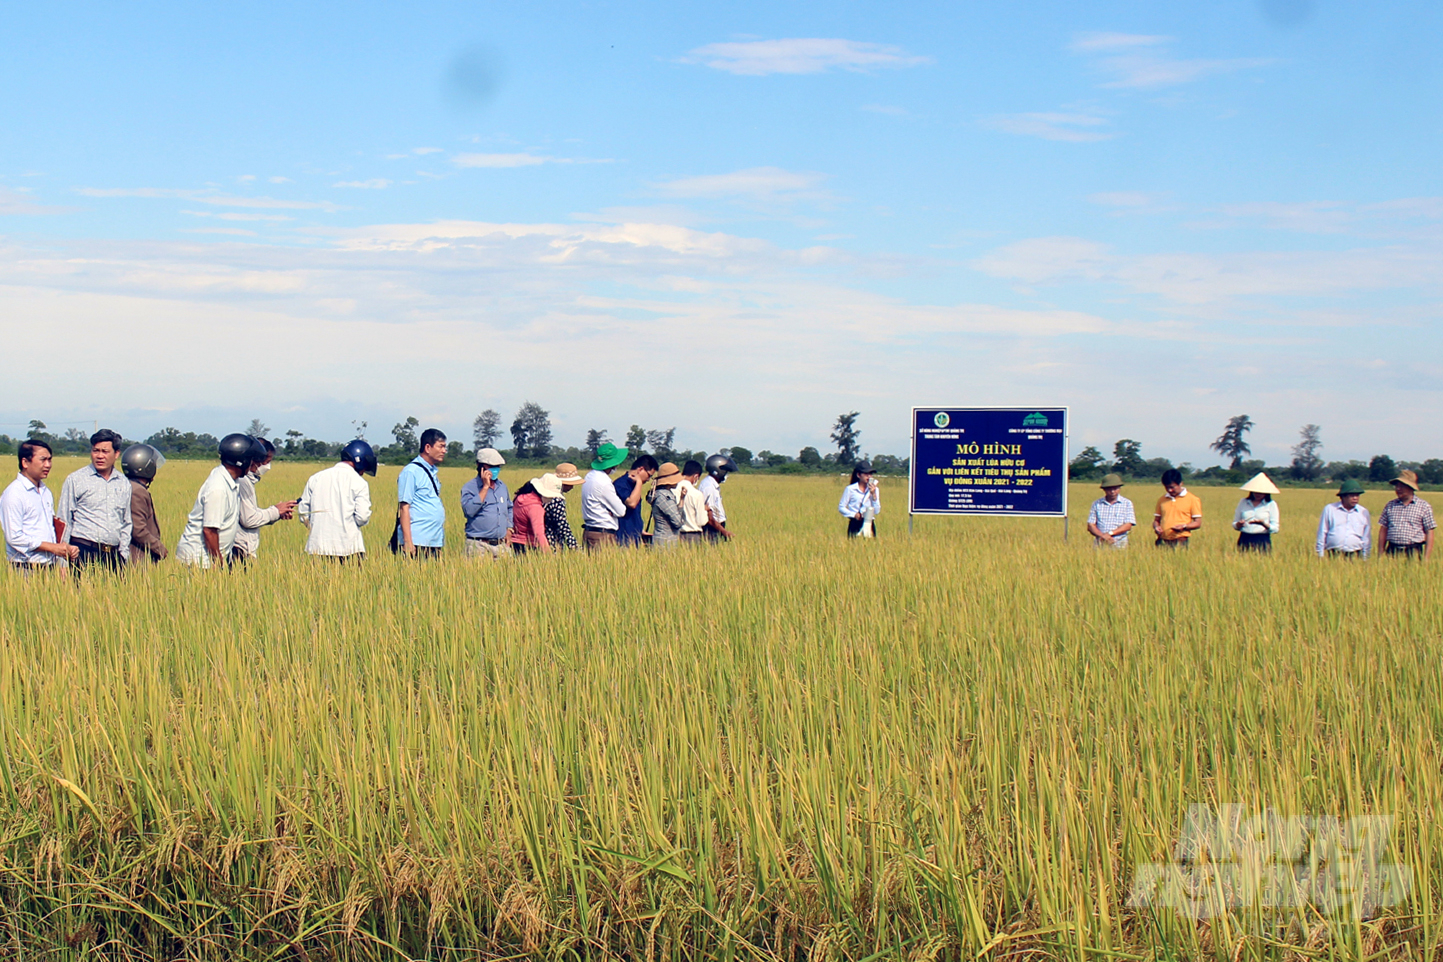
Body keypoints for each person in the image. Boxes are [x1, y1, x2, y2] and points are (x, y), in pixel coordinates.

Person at [57, 427, 132, 574]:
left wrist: (123, 556)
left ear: (116, 454)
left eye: (105, 451)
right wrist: (62, 562)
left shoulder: (123, 483)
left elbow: (126, 522)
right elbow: (64, 520)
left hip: (112, 555)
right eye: (95, 450)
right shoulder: (76, 479)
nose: (99, 456)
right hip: (82, 551)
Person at [175, 433, 253, 568]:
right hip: (199, 561)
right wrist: (219, 564)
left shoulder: (228, 481)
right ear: (242, 461)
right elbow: (209, 530)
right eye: (250, 460)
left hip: (209, 558)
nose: (253, 465)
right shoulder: (218, 489)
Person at [1, 439, 78, 571]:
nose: (48, 465)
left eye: (50, 460)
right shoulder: (14, 494)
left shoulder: (45, 492)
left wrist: (64, 548)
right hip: (25, 568)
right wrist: (51, 547)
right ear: (25, 462)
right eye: (43, 460)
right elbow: (14, 537)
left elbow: (47, 529)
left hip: (49, 566)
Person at [298, 440, 375, 562]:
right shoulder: (359, 483)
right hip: (349, 548)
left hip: (317, 548)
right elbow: (362, 517)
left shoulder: (316, 478)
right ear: (360, 460)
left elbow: (303, 513)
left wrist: (318, 526)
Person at [234, 437, 297, 562]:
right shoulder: (243, 481)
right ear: (255, 460)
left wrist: (277, 513)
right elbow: (249, 519)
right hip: (238, 549)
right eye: (266, 461)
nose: (267, 466)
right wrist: (275, 511)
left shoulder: (243, 480)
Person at [396, 428, 447, 557]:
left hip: (434, 540)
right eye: (441, 447)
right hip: (417, 541)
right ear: (428, 447)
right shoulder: (411, 472)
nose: (444, 451)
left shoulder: (432, 471)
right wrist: (408, 542)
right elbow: (404, 508)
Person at [461, 448, 512, 560]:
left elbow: (509, 508)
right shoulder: (470, 487)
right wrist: (485, 487)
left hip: (501, 545)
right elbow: (469, 511)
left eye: (497, 467)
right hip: (478, 545)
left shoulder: (502, 487)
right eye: (491, 466)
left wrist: (509, 527)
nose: (495, 470)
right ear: (480, 466)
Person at [122, 443, 168, 562]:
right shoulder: (137, 491)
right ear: (147, 468)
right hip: (136, 557)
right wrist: (159, 548)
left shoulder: (127, 486)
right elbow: (138, 529)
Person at [580, 442, 630, 550]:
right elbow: (621, 511)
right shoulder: (604, 482)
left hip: (589, 531)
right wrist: (611, 512)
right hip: (603, 535)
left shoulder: (589, 476)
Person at [1378, 469, 1435, 559]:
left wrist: (1426, 558)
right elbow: (1383, 529)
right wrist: (1380, 554)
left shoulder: (1424, 506)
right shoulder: (1390, 505)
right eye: (1397, 485)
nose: (1398, 489)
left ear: (1411, 487)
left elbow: (1429, 532)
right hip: (1392, 550)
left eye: (1402, 486)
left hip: (1413, 551)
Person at [1316, 479, 1371, 558]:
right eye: (1352, 495)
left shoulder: (1363, 512)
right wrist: (1320, 555)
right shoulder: (1330, 509)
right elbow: (1322, 532)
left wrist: (1365, 558)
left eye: (1357, 495)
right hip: (1333, 553)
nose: (1355, 498)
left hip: (1355, 554)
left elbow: (1366, 537)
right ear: (1343, 496)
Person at [511, 474, 564, 554]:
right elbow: (539, 533)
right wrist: (548, 554)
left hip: (515, 543)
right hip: (529, 547)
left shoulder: (520, 497)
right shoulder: (535, 507)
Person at [613, 454, 658, 547]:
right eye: (649, 475)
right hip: (623, 537)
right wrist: (639, 482)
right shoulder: (621, 484)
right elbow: (632, 503)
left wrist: (640, 530)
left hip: (634, 536)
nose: (648, 479)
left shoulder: (634, 485)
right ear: (641, 469)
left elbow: (634, 513)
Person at [1152, 468, 1202, 549]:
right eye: (1166, 487)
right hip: (1164, 540)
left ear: (1181, 483)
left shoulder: (1193, 499)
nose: (1169, 490)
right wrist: (1156, 527)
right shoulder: (1162, 499)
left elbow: (1198, 523)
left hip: (1181, 540)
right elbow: (1156, 520)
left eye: (1172, 487)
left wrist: (1184, 527)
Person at [1232, 472, 1281, 552]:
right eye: (1256, 492)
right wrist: (1239, 524)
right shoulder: (1243, 502)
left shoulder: (1271, 504)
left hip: (1262, 539)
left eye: (1261, 492)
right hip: (1244, 538)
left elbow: (1275, 528)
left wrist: (1264, 524)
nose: (1258, 494)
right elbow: (1235, 523)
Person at [1085, 473, 1135, 548]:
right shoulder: (1096, 504)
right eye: (1109, 489)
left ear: (1119, 488)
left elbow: (1128, 525)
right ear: (1104, 489)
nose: (1112, 492)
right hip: (1100, 543)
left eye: (1115, 488)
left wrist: (1110, 534)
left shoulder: (1127, 503)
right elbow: (1091, 525)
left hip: (1120, 543)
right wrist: (1103, 536)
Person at [699, 454, 738, 541]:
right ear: (718, 470)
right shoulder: (708, 487)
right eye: (725, 471)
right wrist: (724, 532)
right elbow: (709, 517)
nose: (726, 475)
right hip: (712, 530)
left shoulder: (712, 485)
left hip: (716, 528)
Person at [544, 463, 582, 551]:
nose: (572, 487)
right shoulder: (556, 498)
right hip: (550, 541)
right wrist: (574, 546)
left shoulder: (547, 493)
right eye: (570, 484)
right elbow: (562, 524)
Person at [838, 460, 881, 538]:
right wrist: (854, 515)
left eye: (870, 474)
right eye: (866, 474)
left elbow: (877, 511)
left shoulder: (875, 490)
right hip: (855, 522)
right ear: (858, 475)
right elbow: (841, 507)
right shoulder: (850, 489)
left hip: (869, 522)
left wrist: (873, 494)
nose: (869, 477)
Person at [647, 462, 685, 548]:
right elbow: (677, 522)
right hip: (665, 543)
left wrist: (682, 499)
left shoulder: (660, 494)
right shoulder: (665, 498)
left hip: (662, 541)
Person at [676, 460, 710, 545]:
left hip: (676, 534)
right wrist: (705, 510)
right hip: (693, 535)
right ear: (696, 476)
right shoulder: (697, 494)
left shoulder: (673, 489)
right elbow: (701, 521)